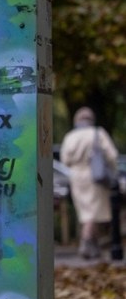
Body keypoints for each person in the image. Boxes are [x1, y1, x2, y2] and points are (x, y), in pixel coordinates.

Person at [60, 106, 119, 259]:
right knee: (93, 213)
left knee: (85, 211)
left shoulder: (70, 136)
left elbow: (65, 160)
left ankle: (93, 247)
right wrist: (113, 172)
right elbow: (112, 155)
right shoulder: (98, 133)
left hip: (76, 176)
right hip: (95, 175)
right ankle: (86, 243)